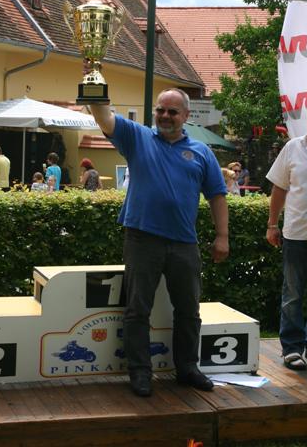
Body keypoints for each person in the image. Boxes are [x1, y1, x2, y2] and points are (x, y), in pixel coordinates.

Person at [90, 88, 229, 397]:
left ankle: (188, 369)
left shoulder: (202, 152)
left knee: (189, 311)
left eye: (172, 112)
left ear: (186, 116)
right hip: (142, 239)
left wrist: (222, 236)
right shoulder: (137, 137)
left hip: (184, 243)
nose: (165, 116)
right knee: (138, 309)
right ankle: (140, 372)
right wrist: (94, 81)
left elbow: (217, 196)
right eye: (160, 110)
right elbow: (103, 116)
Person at [266, 98, 307, 371]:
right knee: (292, 293)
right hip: (297, 232)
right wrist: (271, 224)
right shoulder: (292, 148)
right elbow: (279, 188)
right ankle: (292, 348)